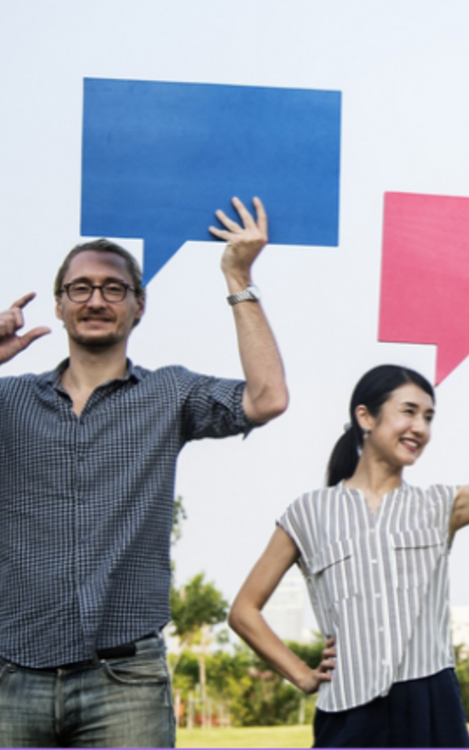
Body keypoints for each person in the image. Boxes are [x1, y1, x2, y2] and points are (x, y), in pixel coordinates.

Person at [0, 197, 287, 748]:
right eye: (79, 288)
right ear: (59, 306)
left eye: (114, 288)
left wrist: (238, 275)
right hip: (14, 672)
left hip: (125, 681)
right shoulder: (9, 400)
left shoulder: (169, 394)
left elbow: (268, 397)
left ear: (139, 305)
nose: (96, 300)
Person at [228, 310, 469, 748]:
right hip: (347, 711)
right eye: (409, 412)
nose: (420, 427)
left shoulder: (441, 506)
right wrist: (302, 675)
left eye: (429, 417)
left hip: (431, 705)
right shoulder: (308, 512)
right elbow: (244, 611)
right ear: (366, 417)